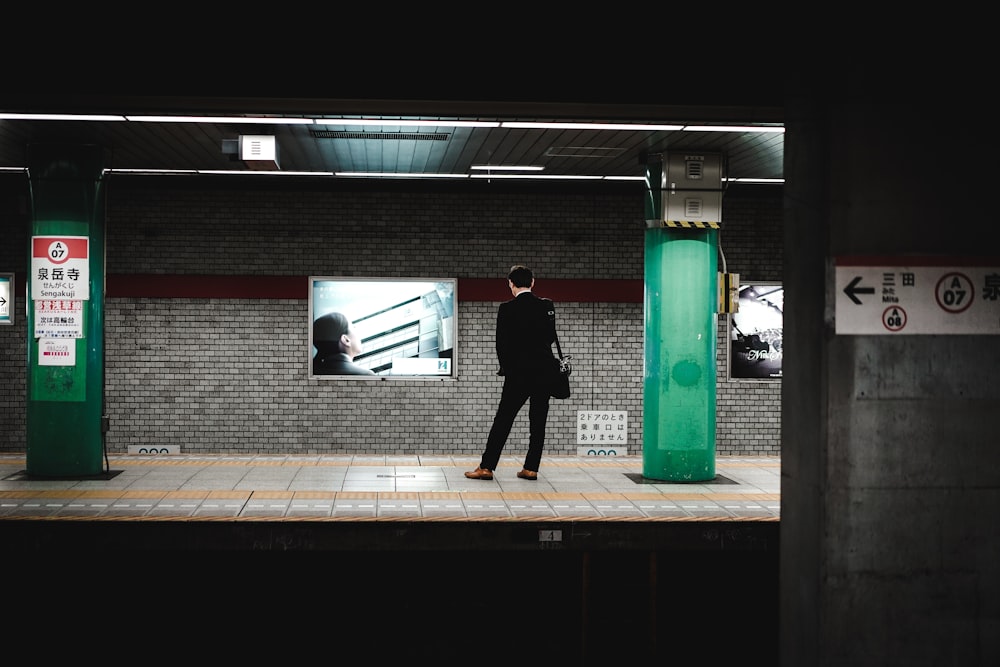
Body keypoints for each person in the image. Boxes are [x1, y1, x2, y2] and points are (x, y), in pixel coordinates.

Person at [466, 265, 559, 481]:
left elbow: (502, 344)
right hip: (544, 372)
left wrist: (506, 368)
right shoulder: (546, 305)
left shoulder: (506, 309)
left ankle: (487, 467)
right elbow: (550, 338)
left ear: (510, 283)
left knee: (504, 420)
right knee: (538, 422)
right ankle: (531, 468)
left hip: (518, 374)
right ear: (532, 282)